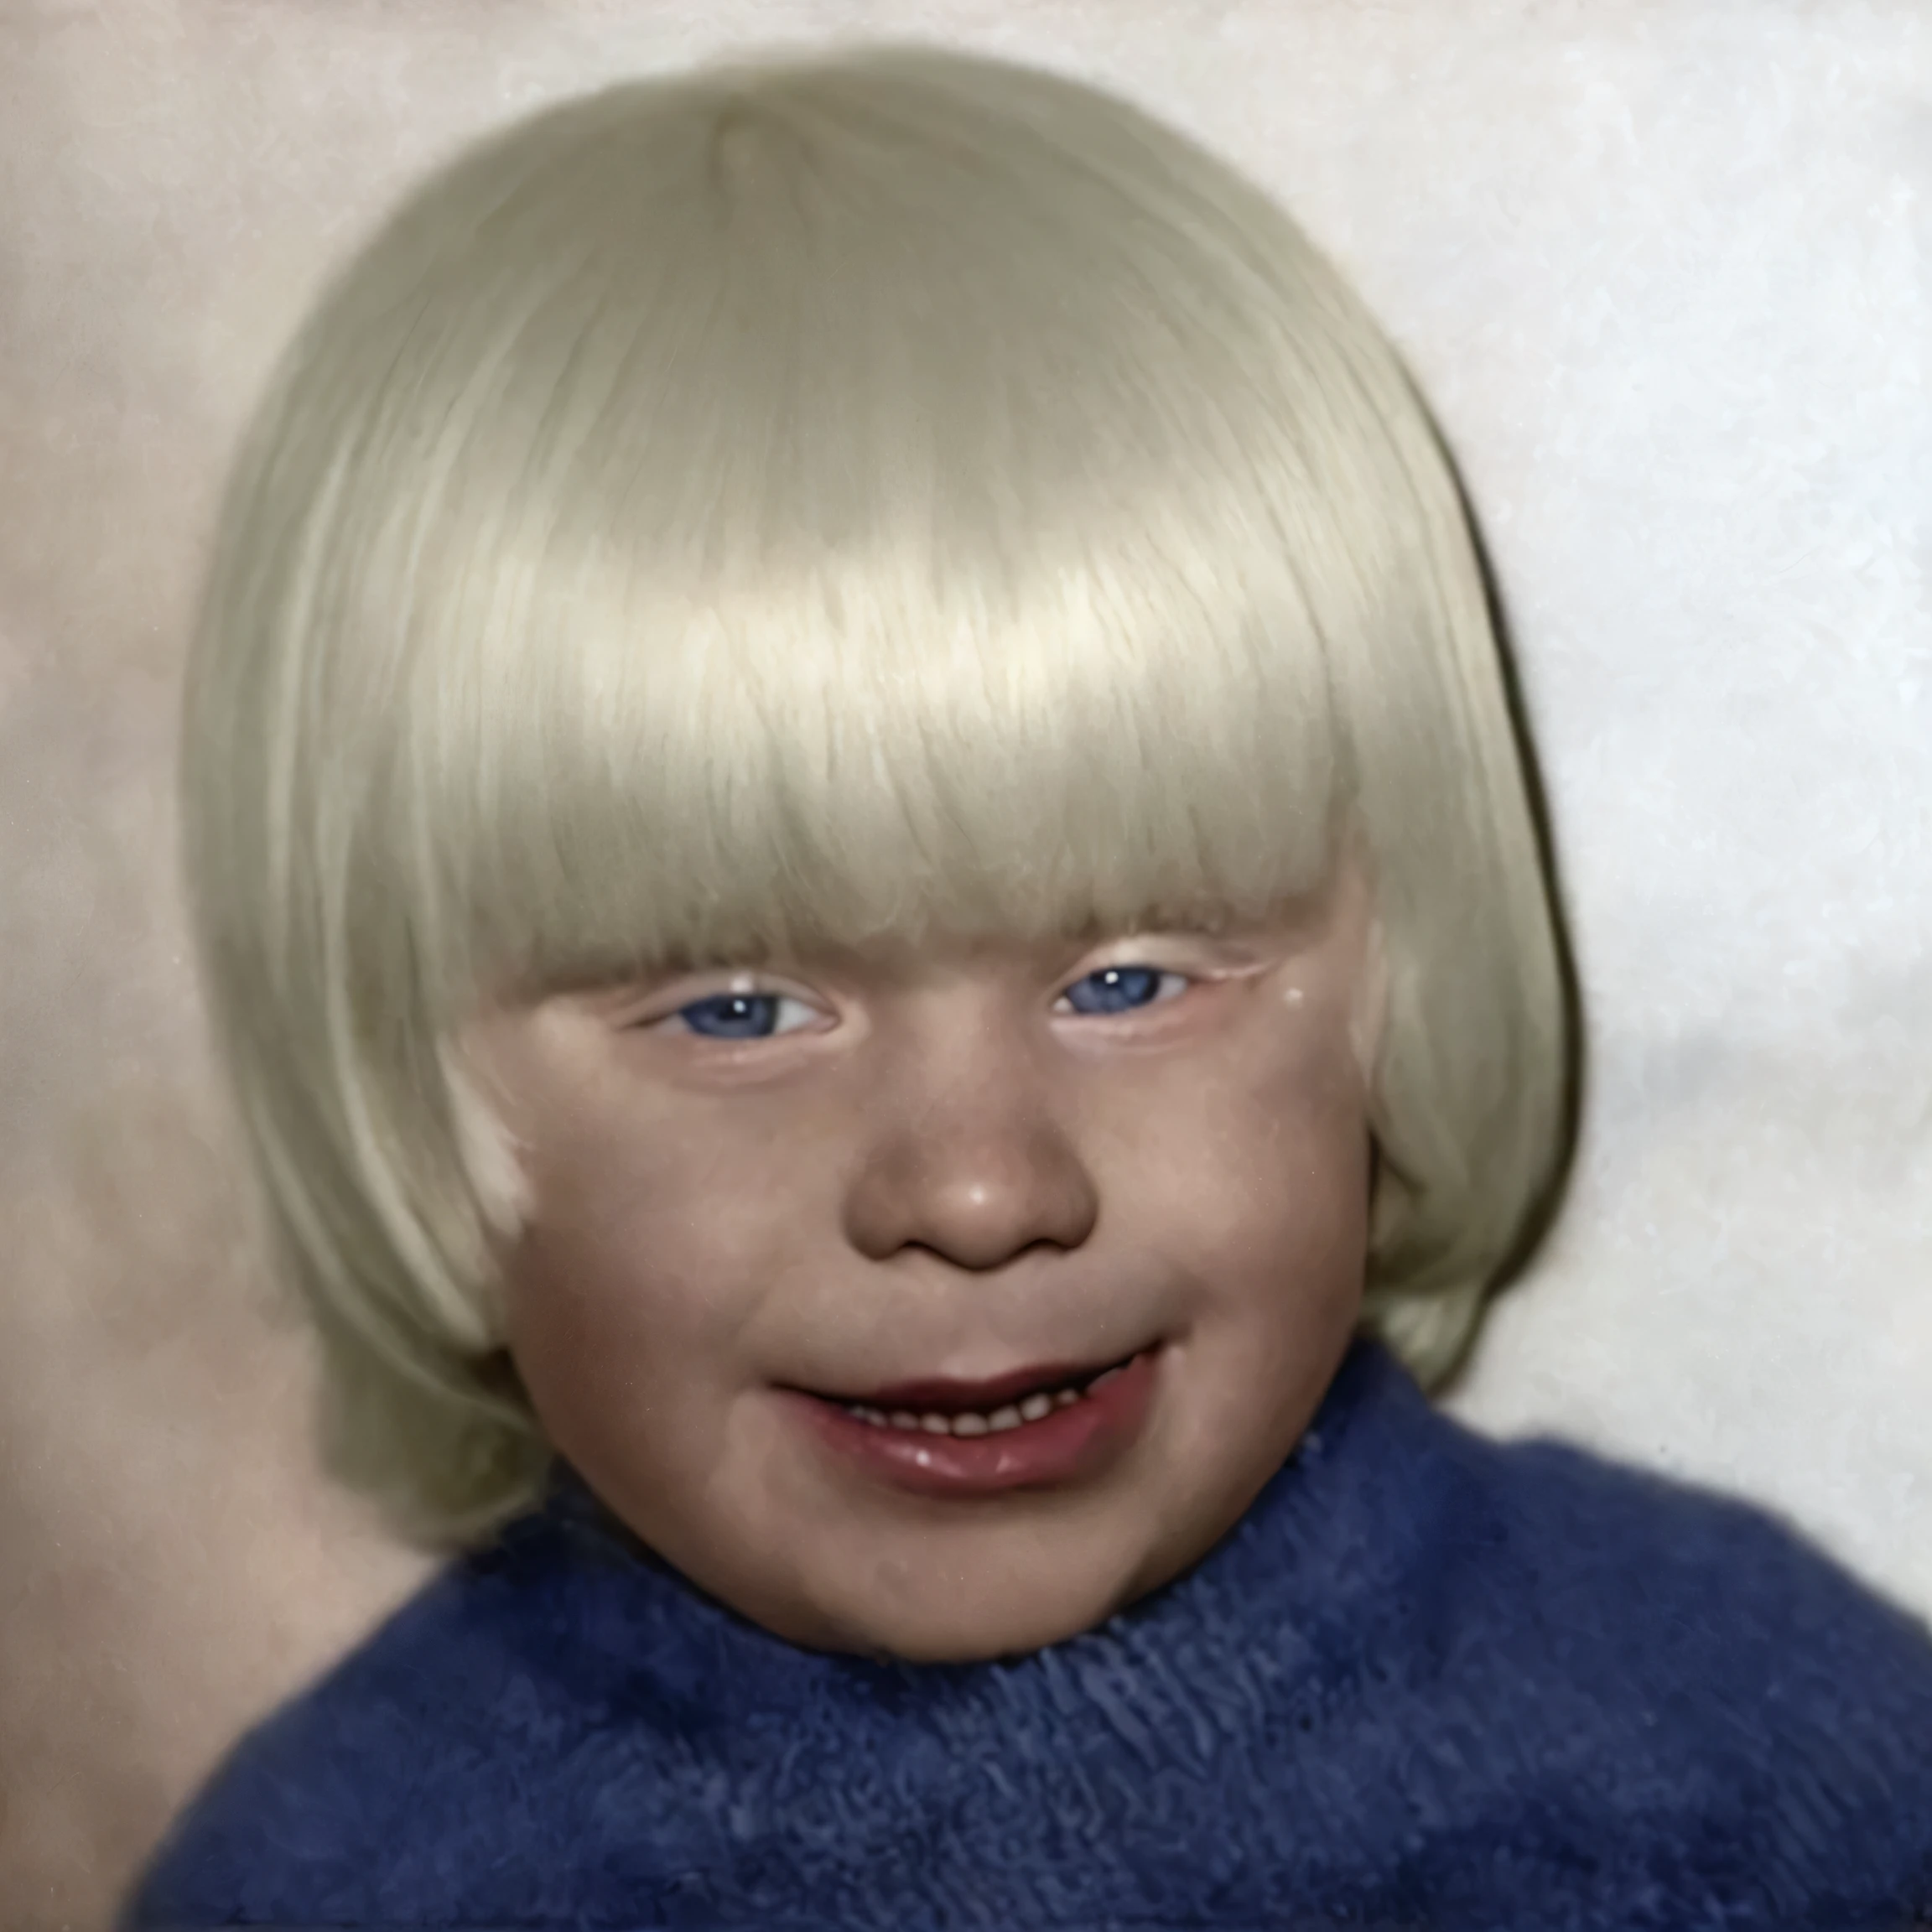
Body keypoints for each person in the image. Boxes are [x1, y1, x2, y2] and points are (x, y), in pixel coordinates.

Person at [125, 44, 1932, 1930]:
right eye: (737, 1009)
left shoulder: (1760, 1770)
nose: (980, 1190)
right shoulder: (337, 1884)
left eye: (1133, 978)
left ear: (1402, 995)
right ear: (401, 1092)